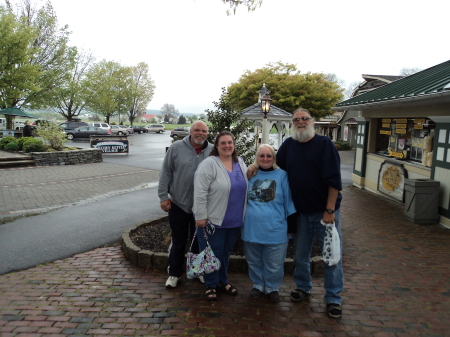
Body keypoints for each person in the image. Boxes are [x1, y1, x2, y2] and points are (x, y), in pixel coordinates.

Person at [276, 108, 344, 318]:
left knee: (331, 257)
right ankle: (303, 287)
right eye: (296, 119)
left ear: (312, 121)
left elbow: (334, 181)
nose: (300, 122)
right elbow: (276, 167)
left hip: (325, 213)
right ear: (292, 123)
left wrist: (330, 210)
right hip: (301, 212)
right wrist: (253, 168)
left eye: (304, 118)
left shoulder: (325, 145)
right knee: (300, 255)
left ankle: (333, 298)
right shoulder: (288, 145)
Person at [193, 131, 248, 300]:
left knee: (225, 252)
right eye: (223, 143)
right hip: (213, 220)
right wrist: (200, 215)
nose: (227, 146)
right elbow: (200, 191)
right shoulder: (209, 164)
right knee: (211, 254)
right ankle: (210, 284)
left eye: (230, 142)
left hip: (234, 220)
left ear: (234, 144)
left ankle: (223, 281)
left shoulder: (240, 162)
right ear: (216, 146)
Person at [158, 120, 213, 288]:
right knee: (178, 240)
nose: (200, 133)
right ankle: (174, 274)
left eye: (204, 131)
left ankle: (197, 271)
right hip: (178, 204)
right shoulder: (176, 148)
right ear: (190, 131)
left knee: (200, 242)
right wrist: (162, 196)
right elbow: (165, 173)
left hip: (202, 207)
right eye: (197, 130)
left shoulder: (212, 150)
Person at [242, 144, 297, 303]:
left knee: (274, 263)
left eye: (269, 156)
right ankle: (258, 284)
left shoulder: (283, 176)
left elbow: (289, 202)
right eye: (262, 155)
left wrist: (291, 227)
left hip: (276, 229)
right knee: (254, 260)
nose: (265, 159)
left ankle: (272, 287)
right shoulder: (250, 174)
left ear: (274, 158)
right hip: (251, 228)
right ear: (256, 158)